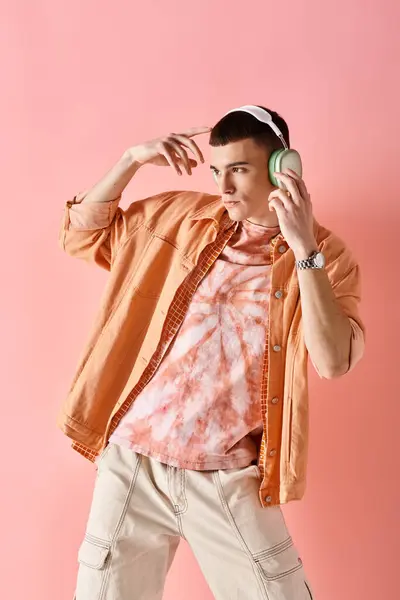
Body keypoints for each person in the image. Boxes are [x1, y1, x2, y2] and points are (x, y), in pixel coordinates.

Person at [58, 105, 364, 600]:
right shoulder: (180, 218)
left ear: (282, 169)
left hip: (227, 477)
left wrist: (304, 245)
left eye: (238, 170)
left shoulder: (328, 257)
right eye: (217, 171)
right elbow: (81, 236)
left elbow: (333, 361)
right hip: (134, 461)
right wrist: (130, 160)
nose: (223, 188)